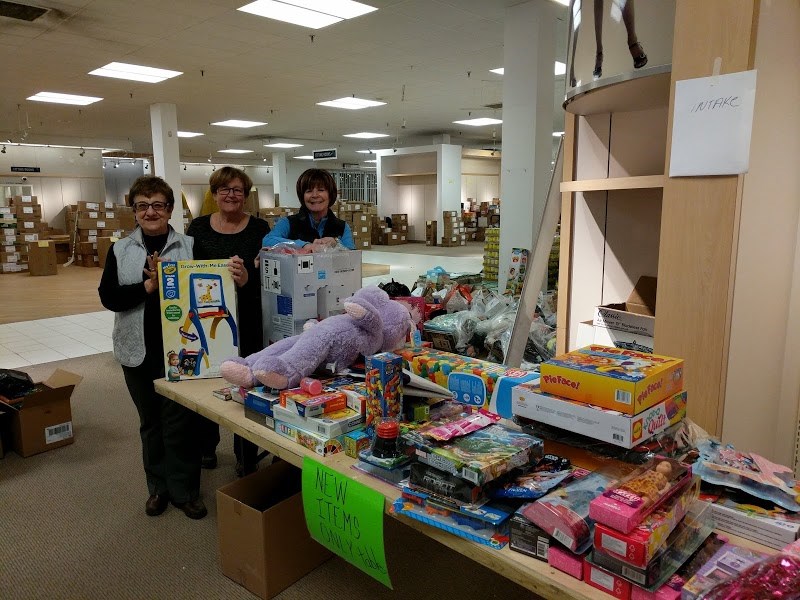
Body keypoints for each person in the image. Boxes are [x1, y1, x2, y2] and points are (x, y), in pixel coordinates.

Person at [98, 175, 206, 519]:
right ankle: (158, 488)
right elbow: (109, 297)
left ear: (170, 209)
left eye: (158, 205)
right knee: (151, 423)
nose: (150, 212)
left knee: (181, 423)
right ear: (134, 211)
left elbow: (207, 291)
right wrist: (147, 286)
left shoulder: (190, 246)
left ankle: (184, 490)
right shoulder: (121, 249)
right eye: (142, 206)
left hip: (182, 348)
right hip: (137, 351)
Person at [186, 166, 270, 477]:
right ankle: (207, 447)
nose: (231, 195)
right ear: (214, 193)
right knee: (206, 380)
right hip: (207, 321)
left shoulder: (260, 229)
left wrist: (249, 277)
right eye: (224, 189)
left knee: (244, 385)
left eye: (237, 190)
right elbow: (186, 272)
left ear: (246, 196)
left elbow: (272, 277)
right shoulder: (197, 228)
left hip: (248, 319)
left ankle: (244, 453)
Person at [262, 168, 355, 251]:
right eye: (309, 191)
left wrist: (336, 243)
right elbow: (268, 240)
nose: (315, 195)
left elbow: (353, 256)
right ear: (302, 197)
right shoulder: (288, 223)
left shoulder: (342, 227)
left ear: (330, 195)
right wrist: (304, 245)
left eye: (321, 190)